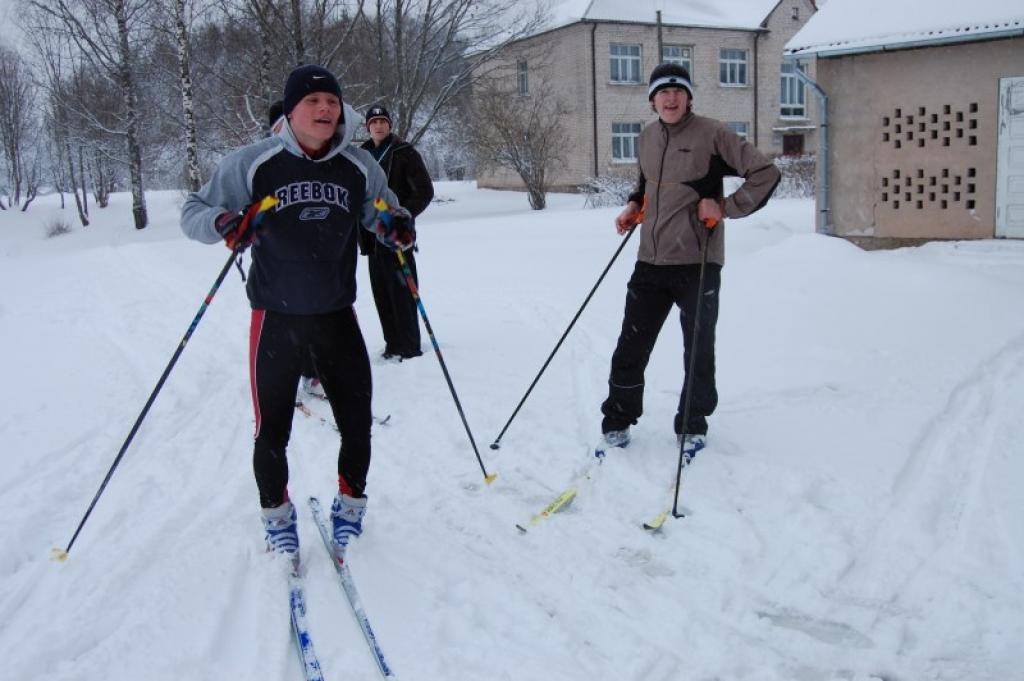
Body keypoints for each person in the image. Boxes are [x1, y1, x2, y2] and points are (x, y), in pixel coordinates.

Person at [181, 65, 413, 563]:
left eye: (332, 101)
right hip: (275, 317)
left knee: (356, 421)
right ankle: (277, 517)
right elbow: (193, 212)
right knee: (272, 430)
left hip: (336, 314)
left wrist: (397, 226)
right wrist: (226, 222)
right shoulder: (253, 163)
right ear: (291, 110)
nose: (325, 109)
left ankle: (350, 507)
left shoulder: (357, 166)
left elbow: (384, 211)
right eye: (313, 102)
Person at [599, 63, 780, 458]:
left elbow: (765, 173)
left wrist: (726, 207)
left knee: (697, 347)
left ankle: (692, 422)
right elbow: (647, 183)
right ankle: (617, 418)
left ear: (688, 96)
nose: (670, 97)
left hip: (698, 260)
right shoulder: (647, 138)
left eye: (677, 90)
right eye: (662, 92)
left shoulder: (712, 133)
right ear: (652, 99)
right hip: (650, 259)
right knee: (631, 344)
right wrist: (634, 206)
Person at [359, 105, 435, 360]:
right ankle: (392, 344)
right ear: (368, 127)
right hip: (372, 236)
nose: (379, 126)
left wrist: (402, 215)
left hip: (397, 235)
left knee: (403, 292)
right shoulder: (361, 155)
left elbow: (424, 191)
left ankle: (409, 346)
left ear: (390, 125)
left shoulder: (404, 152)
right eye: (374, 122)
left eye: (383, 121)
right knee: (381, 293)